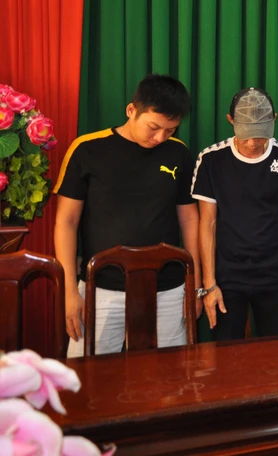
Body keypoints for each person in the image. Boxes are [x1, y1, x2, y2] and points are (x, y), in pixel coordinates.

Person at [53, 74, 200, 356]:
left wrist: (195, 286)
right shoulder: (87, 149)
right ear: (131, 110)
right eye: (153, 127)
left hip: (168, 289)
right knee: (89, 376)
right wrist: (69, 290)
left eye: (170, 130)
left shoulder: (178, 153)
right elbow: (66, 222)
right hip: (101, 287)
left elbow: (190, 219)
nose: (160, 138)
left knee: (170, 375)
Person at [191, 87, 278, 340]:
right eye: (246, 134)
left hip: (274, 274)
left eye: (260, 135)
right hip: (227, 277)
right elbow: (207, 223)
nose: (253, 142)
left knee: (276, 349)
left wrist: (261, 232)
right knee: (227, 351)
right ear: (230, 121)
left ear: (274, 120)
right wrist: (209, 284)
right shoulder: (211, 159)